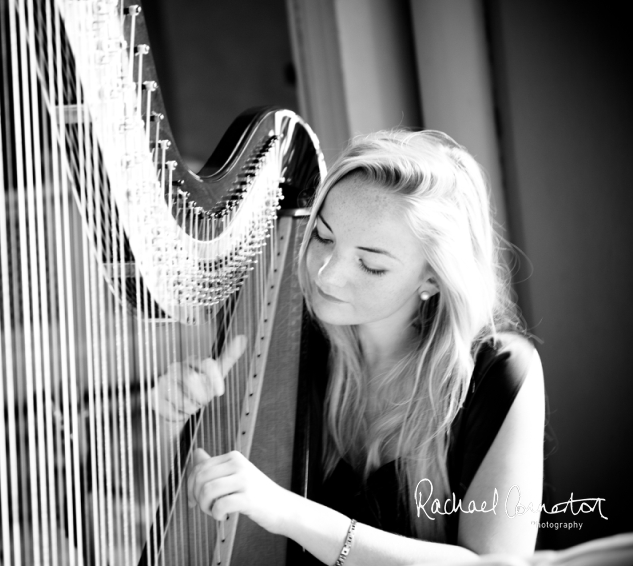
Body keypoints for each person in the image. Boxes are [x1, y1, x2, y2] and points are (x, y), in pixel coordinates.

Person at [151, 130, 546, 565]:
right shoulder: (284, 334)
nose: (326, 275)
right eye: (322, 236)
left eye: (370, 264)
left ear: (432, 279)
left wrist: (291, 513)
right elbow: (206, 515)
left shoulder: (499, 374)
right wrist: (179, 420)